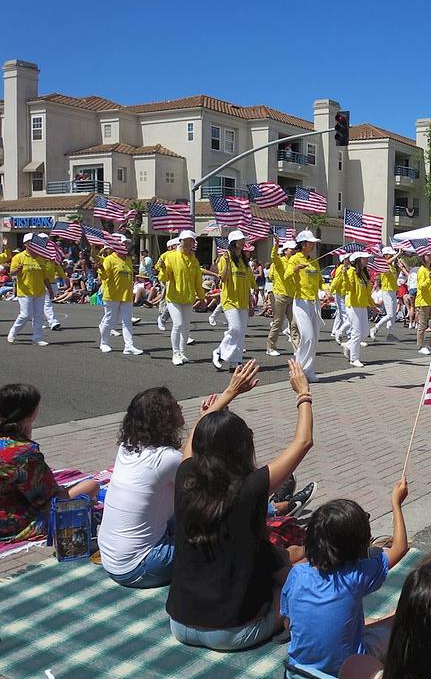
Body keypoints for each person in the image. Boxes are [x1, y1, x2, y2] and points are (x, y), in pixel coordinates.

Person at [166, 359, 313, 651]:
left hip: (179, 624)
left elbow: (195, 439)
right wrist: (303, 394)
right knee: (301, 575)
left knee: (278, 560)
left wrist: (229, 393)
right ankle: (287, 622)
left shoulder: (186, 476)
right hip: (232, 632)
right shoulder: (250, 487)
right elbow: (303, 442)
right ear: (242, 448)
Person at [281, 480, 410, 678]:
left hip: (299, 671)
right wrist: (396, 503)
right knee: (396, 626)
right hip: (347, 668)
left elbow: (288, 624)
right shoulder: (356, 575)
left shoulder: (296, 574)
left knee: (368, 621)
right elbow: (400, 547)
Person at [97, 387, 185, 587]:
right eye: (174, 405)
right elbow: (207, 489)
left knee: (182, 512)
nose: (180, 407)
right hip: (140, 566)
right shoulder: (166, 459)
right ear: (165, 418)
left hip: (112, 559)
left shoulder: (127, 447)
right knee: (214, 541)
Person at [0, 384, 100, 543]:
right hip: (9, 522)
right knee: (91, 486)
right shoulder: (24, 453)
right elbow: (46, 498)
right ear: (30, 413)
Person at [157, 230, 204, 366]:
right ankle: (175, 353)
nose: (189, 243)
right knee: (177, 324)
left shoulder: (194, 260)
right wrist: (163, 269)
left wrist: (202, 297)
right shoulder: (171, 256)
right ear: (180, 241)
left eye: (191, 241)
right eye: (186, 240)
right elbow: (164, 278)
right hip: (173, 297)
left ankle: (183, 352)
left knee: (186, 327)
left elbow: (197, 281)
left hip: (188, 298)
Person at [93, 236, 143, 356]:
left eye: (127, 243)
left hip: (126, 295)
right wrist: (100, 268)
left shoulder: (128, 259)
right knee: (109, 320)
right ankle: (103, 343)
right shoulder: (109, 259)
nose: (126, 245)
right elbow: (104, 277)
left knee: (127, 321)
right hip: (112, 295)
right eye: (123, 243)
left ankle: (129, 346)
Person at [212, 231, 254, 371]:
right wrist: (228, 263)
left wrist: (250, 303)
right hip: (230, 299)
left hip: (243, 301)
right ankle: (219, 352)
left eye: (243, 240)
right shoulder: (225, 257)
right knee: (235, 328)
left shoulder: (244, 261)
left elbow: (247, 282)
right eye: (240, 240)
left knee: (240, 332)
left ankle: (235, 362)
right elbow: (223, 278)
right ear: (233, 242)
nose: (243, 242)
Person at [6, 236, 56, 346]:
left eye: (34, 242)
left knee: (39, 316)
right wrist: (17, 270)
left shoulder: (41, 258)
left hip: (40, 291)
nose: (32, 244)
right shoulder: (19, 257)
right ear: (25, 244)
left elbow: (45, 277)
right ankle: (13, 332)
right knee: (26, 315)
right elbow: (11, 274)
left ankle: (37, 337)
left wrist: (50, 290)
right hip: (25, 291)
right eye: (30, 242)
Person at [288, 230, 323, 382]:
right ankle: (297, 371)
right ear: (303, 244)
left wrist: (327, 291)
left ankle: (308, 370)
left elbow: (320, 282)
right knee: (307, 336)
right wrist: (296, 268)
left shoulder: (314, 261)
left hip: (314, 302)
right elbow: (287, 274)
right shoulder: (295, 258)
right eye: (310, 242)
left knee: (314, 338)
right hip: (301, 301)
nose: (313, 245)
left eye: (314, 242)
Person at [336, 251, 375, 369]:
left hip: (362, 305)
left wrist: (372, 305)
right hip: (353, 305)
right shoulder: (351, 272)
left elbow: (368, 292)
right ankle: (354, 359)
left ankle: (348, 345)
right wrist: (344, 275)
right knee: (357, 332)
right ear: (358, 260)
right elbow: (348, 288)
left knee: (365, 333)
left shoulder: (363, 273)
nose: (367, 260)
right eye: (364, 258)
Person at [267, 240, 301, 357]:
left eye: (294, 249)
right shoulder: (279, 261)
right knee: (278, 322)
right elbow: (273, 256)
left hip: (292, 296)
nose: (293, 251)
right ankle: (270, 347)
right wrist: (276, 245)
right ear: (285, 250)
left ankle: (297, 349)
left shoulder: (294, 262)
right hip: (280, 295)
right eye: (291, 249)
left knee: (294, 324)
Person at [370, 247, 405, 343]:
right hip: (387, 291)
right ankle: (375, 328)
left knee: (393, 315)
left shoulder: (392, 266)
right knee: (390, 314)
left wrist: (400, 266)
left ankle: (391, 334)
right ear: (385, 255)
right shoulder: (384, 264)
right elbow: (388, 262)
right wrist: (398, 254)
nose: (392, 255)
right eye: (390, 254)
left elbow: (394, 276)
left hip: (393, 290)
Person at [413, 253, 431, 356]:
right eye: (428, 255)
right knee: (422, 325)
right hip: (423, 302)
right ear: (423, 257)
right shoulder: (422, 271)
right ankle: (420, 346)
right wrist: (429, 279)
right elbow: (421, 287)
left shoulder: (430, 271)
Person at [156, 237, 179, 331]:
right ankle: (162, 314)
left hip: (177, 279)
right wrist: (163, 268)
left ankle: (164, 316)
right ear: (171, 246)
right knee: (165, 296)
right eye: (177, 245)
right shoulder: (165, 255)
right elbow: (157, 267)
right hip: (166, 279)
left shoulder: (182, 255)